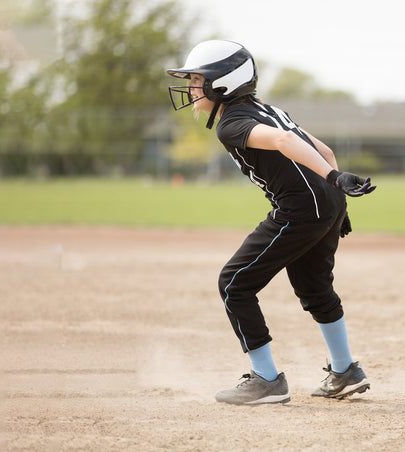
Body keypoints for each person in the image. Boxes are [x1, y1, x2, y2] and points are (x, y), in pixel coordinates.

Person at [166, 40, 376, 405]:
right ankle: (345, 372)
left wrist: (329, 181)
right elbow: (323, 150)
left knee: (233, 283)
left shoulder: (231, 123)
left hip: (302, 208)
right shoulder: (266, 108)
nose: (190, 88)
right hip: (326, 203)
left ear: (223, 83)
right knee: (315, 288)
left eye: (197, 80)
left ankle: (266, 379)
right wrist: (335, 192)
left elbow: (281, 141)